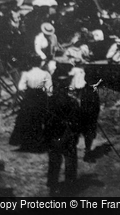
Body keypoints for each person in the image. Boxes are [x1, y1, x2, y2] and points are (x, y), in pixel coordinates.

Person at [44, 66, 82, 194]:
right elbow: (78, 121)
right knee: (70, 159)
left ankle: (53, 185)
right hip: (68, 135)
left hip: (54, 135)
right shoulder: (73, 102)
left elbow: (44, 120)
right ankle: (70, 186)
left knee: (54, 160)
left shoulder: (49, 102)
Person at [9, 56, 52, 152]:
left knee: (26, 118)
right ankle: (41, 142)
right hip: (41, 97)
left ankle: (26, 143)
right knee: (40, 119)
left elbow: (20, 87)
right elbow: (49, 89)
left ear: (31, 64)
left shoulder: (26, 74)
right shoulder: (45, 74)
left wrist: (28, 89)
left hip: (30, 97)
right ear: (40, 63)